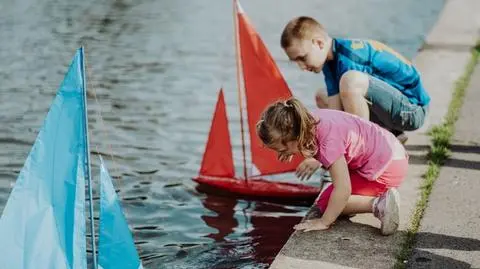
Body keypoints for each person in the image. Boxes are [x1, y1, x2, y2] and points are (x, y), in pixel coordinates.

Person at [256, 98, 408, 235]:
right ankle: (357, 203)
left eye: (282, 150)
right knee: (331, 201)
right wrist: (290, 150)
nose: (282, 154)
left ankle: (380, 204)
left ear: (295, 137)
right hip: (392, 152)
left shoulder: (327, 143)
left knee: (327, 203)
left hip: (387, 168)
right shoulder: (311, 120)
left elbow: (343, 189)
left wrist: (324, 222)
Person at [280, 16, 430, 144]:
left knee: (350, 81)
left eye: (302, 58)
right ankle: (391, 134)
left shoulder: (349, 56)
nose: (301, 66)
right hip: (392, 110)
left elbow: (347, 117)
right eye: (295, 61)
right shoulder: (329, 63)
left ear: (319, 43)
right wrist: (320, 149)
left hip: (413, 111)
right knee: (322, 97)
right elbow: (335, 112)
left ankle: (364, 149)